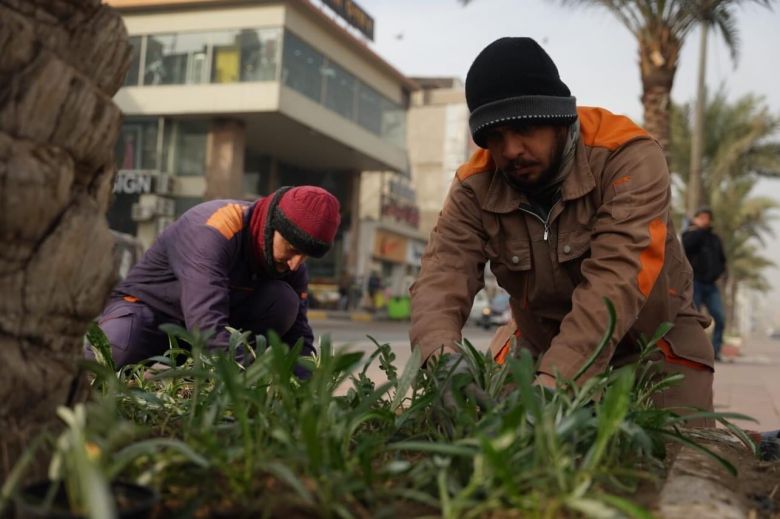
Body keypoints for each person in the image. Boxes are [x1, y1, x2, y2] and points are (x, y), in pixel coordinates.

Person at [409, 37, 715, 422]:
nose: (511, 151)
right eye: (495, 138)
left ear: (558, 118)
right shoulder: (475, 183)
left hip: (650, 341)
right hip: (537, 340)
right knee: (485, 429)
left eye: (523, 129)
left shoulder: (627, 157)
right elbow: (441, 277)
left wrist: (554, 386)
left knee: (687, 450)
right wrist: (441, 362)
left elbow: (615, 283)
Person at [89, 186, 340, 377]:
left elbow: (299, 335)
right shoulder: (213, 230)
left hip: (201, 330)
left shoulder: (289, 263)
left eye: (305, 256)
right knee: (111, 357)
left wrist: (307, 386)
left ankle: (209, 372)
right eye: (292, 249)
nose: (296, 263)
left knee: (284, 302)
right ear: (273, 226)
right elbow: (205, 322)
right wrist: (250, 380)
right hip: (148, 313)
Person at [682, 208, 727, 361]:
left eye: (707, 218)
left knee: (720, 317)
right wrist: (698, 229)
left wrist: (717, 273)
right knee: (694, 318)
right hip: (695, 283)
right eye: (701, 217)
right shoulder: (689, 235)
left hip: (711, 285)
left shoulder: (714, 239)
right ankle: (693, 351)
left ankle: (715, 351)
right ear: (695, 219)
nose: (704, 220)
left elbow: (722, 260)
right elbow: (687, 247)